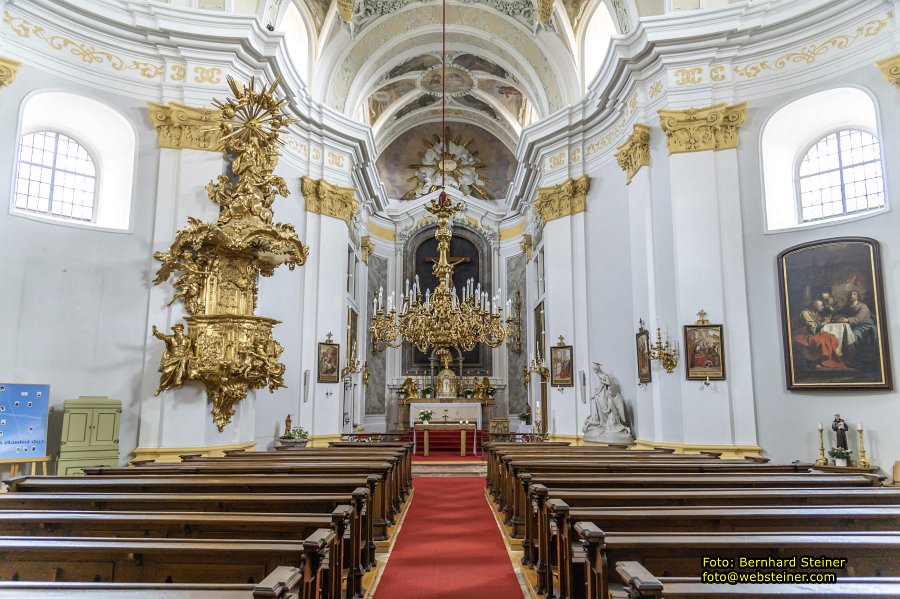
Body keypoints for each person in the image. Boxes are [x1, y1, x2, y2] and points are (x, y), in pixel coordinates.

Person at [792, 299, 845, 369]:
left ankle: (831, 359)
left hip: (812, 333)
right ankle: (817, 362)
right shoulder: (805, 313)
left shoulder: (815, 312)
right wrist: (823, 323)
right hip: (803, 334)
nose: (822, 307)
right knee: (820, 341)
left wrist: (823, 320)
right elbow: (811, 326)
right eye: (821, 305)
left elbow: (817, 322)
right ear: (814, 306)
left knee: (832, 337)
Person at [152, 324, 193, 394]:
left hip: (183, 358)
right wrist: (156, 333)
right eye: (175, 330)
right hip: (173, 358)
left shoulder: (187, 339)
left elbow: (190, 350)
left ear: (181, 330)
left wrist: (189, 356)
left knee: (183, 361)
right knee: (165, 371)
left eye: (178, 330)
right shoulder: (171, 338)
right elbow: (163, 337)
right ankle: (161, 387)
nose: (176, 331)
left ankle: (178, 381)